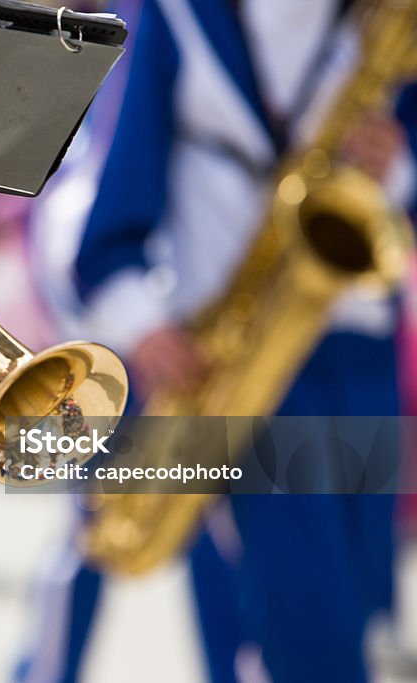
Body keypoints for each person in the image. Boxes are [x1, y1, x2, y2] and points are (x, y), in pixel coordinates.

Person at [22, 0, 417, 681]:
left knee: (360, 611)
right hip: (227, 355)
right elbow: (104, 209)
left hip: (358, 348)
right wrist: (141, 321)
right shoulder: (175, 12)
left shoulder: (391, 18)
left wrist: (399, 169)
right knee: (298, 632)